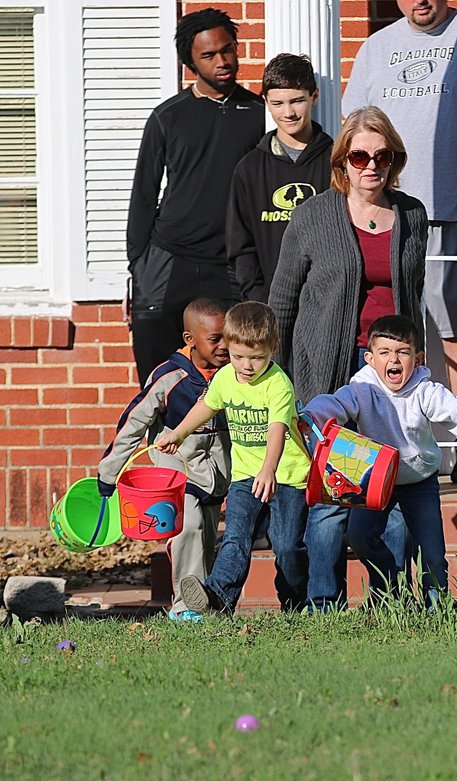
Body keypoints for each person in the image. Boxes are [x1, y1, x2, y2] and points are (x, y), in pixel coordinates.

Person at [269, 107, 427, 606]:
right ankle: (324, 602)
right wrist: (280, 374)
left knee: (392, 484)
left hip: (391, 370)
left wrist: (414, 362)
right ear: (343, 161)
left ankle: (394, 599)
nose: (371, 166)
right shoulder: (313, 215)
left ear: (395, 160)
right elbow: (283, 300)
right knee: (333, 491)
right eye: (360, 155)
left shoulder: (413, 215)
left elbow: (412, 296)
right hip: (326, 368)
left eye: (383, 156)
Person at [343, 0, 457, 483]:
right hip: (384, 217)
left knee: (456, 330)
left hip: (453, 211)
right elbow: (354, 131)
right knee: (387, 331)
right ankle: (394, 443)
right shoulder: (376, 48)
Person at [301, 315, 457, 607]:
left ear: (418, 358)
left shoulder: (426, 391)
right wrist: (312, 416)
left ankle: (436, 606)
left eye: (403, 352)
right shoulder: (361, 389)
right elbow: (334, 404)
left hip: (418, 482)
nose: (394, 360)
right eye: (385, 353)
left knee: (432, 552)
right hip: (374, 483)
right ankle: (390, 579)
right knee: (359, 536)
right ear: (370, 359)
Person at [126, 8, 264, 385]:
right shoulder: (167, 116)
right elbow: (143, 195)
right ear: (190, 63)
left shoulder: (260, 114)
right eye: (209, 55)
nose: (222, 61)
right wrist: (138, 268)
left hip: (233, 262)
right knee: (158, 378)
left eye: (227, 50)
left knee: (244, 374)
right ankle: (160, 443)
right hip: (171, 258)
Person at [155, 302, 310, 614]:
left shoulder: (278, 384)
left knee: (287, 547)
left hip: (287, 476)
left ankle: (294, 604)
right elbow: (208, 406)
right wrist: (180, 433)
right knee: (235, 540)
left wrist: (270, 471)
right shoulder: (225, 377)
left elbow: (278, 429)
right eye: (239, 357)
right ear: (228, 347)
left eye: (257, 358)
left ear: (274, 348)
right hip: (244, 476)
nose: (247, 366)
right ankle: (216, 598)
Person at [97, 298, 231, 622]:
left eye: (228, 336)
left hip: (217, 465)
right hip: (176, 463)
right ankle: (185, 608)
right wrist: (110, 471)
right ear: (190, 340)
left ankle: (209, 604)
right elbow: (134, 423)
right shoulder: (169, 376)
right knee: (188, 526)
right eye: (215, 339)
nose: (224, 345)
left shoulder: (235, 373)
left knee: (209, 534)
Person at [226, 53, 334, 303]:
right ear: (265, 101)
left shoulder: (338, 162)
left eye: (297, 101)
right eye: (278, 103)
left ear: (314, 97)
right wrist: (258, 299)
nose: (288, 113)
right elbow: (241, 246)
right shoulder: (249, 169)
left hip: (329, 304)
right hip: (271, 305)